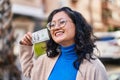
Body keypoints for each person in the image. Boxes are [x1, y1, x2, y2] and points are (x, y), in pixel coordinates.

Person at [19, 7, 108, 80]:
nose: (56, 27)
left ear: (77, 26)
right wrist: (26, 46)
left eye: (62, 22)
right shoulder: (45, 60)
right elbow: (29, 71)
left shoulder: (95, 67)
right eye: (52, 25)